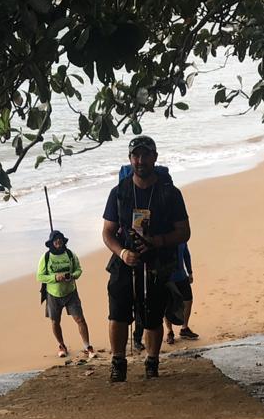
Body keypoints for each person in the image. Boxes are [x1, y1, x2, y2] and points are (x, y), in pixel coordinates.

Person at [102, 136, 190, 382]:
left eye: (145, 155)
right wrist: (122, 253)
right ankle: (118, 363)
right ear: (130, 159)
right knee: (117, 314)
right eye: (136, 155)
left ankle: (152, 362)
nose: (140, 160)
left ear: (155, 157)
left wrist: (157, 241)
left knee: (153, 316)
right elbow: (107, 232)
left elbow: (184, 232)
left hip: (157, 263)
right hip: (124, 261)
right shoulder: (118, 192)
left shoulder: (170, 193)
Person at [36, 229, 94, 361]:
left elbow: (79, 270)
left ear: (63, 241)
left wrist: (72, 276)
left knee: (80, 319)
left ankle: (87, 346)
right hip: (53, 295)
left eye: (60, 239)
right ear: (51, 242)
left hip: (71, 293)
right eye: (55, 239)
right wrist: (55, 278)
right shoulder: (46, 257)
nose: (58, 241)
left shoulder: (70, 254)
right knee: (55, 321)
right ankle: (62, 346)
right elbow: (40, 276)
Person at [164, 242, 199, 343]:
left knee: (188, 300)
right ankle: (169, 331)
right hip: (168, 278)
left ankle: (184, 328)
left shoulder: (181, 238)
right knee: (168, 304)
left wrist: (190, 272)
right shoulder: (163, 239)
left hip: (181, 276)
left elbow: (186, 254)